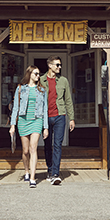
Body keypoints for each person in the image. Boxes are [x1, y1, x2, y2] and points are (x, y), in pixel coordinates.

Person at [9, 65, 48, 188]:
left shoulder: (42, 90)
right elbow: (15, 107)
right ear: (30, 74)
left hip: (37, 120)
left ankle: (32, 178)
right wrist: (12, 126)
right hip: (23, 120)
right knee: (25, 151)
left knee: (33, 148)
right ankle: (26, 170)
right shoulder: (21, 88)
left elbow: (45, 109)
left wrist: (45, 127)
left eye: (39, 74)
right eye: (36, 73)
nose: (38, 76)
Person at [40, 56, 75, 185]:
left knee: (57, 145)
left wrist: (71, 118)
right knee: (48, 145)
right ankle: (50, 169)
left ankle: (55, 173)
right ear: (50, 65)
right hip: (45, 118)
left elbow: (68, 100)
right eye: (57, 65)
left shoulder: (63, 81)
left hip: (60, 116)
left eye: (60, 65)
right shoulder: (41, 80)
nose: (59, 67)